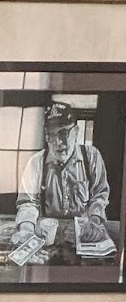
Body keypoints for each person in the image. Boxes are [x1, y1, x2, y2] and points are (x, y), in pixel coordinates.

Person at [12, 100, 111, 247]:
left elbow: (99, 195)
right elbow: (28, 203)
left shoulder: (91, 156)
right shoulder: (36, 162)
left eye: (63, 133)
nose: (57, 142)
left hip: (82, 234)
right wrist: (26, 230)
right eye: (51, 135)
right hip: (47, 234)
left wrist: (94, 221)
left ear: (76, 132)